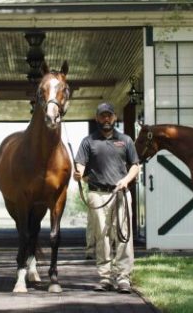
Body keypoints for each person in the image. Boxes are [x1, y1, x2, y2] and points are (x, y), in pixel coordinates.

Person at [73, 102, 141, 294]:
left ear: (114, 117)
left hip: (120, 193)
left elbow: (135, 165)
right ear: (97, 118)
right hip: (96, 194)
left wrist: (126, 180)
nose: (106, 119)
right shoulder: (88, 141)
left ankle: (123, 278)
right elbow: (79, 166)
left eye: (109, 115)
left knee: (123, 235)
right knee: (101, 236)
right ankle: (105, 278)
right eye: (102, 115)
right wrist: (77, 174)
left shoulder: (126, 140)